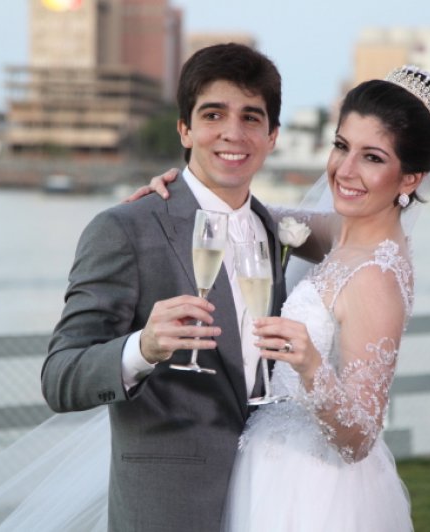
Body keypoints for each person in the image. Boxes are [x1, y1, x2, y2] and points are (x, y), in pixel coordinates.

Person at [133, 65, 430, 531]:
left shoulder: (377, 278)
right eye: (342, 146)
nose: (344, 171)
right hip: (266, 465)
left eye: (372, 158)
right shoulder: (342, 235)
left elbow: (359, 438)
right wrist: (184, 190)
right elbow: (251, 217)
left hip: (312, 490)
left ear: (410, 178)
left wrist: (310, 366)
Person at [40, 42, 287, 532]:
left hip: (270, 503)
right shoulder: (125, 228)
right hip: (167, 511)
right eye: (213, 114)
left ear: (272, 136)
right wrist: (142, 348)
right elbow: (59, 377)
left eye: (251, 118)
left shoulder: (277, 232)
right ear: (185, 129)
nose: (232, 133)